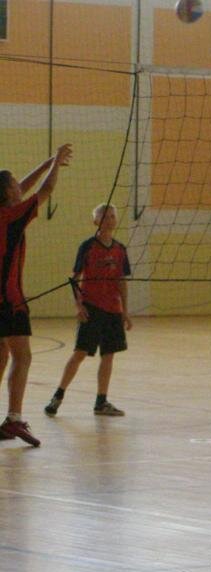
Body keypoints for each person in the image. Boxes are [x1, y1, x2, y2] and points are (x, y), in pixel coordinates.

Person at [0, 144, 73, 447]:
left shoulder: (5, 211)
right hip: (8, 300)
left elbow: (24, 188)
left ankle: (9, 421)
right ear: (8, 193)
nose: (20, 185)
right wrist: (55, 165)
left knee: (2, 355)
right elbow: (46, 190)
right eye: (14, 184)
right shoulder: (12, 215)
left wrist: (45, 163)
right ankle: (14, 419)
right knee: (23, 356)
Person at [45, 204, 133, 418]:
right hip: (92, 307)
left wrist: (125, 311)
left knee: (108, 355)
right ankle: (58, 396)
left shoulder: (120, 249)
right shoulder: (88, 246)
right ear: (96, 221)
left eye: (112, 216)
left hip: (113, 309)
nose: (110, 219)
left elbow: (121, 281)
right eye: (105, 216)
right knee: (80, 353)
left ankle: (101, 402)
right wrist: (79, 305)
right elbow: (74, 279)